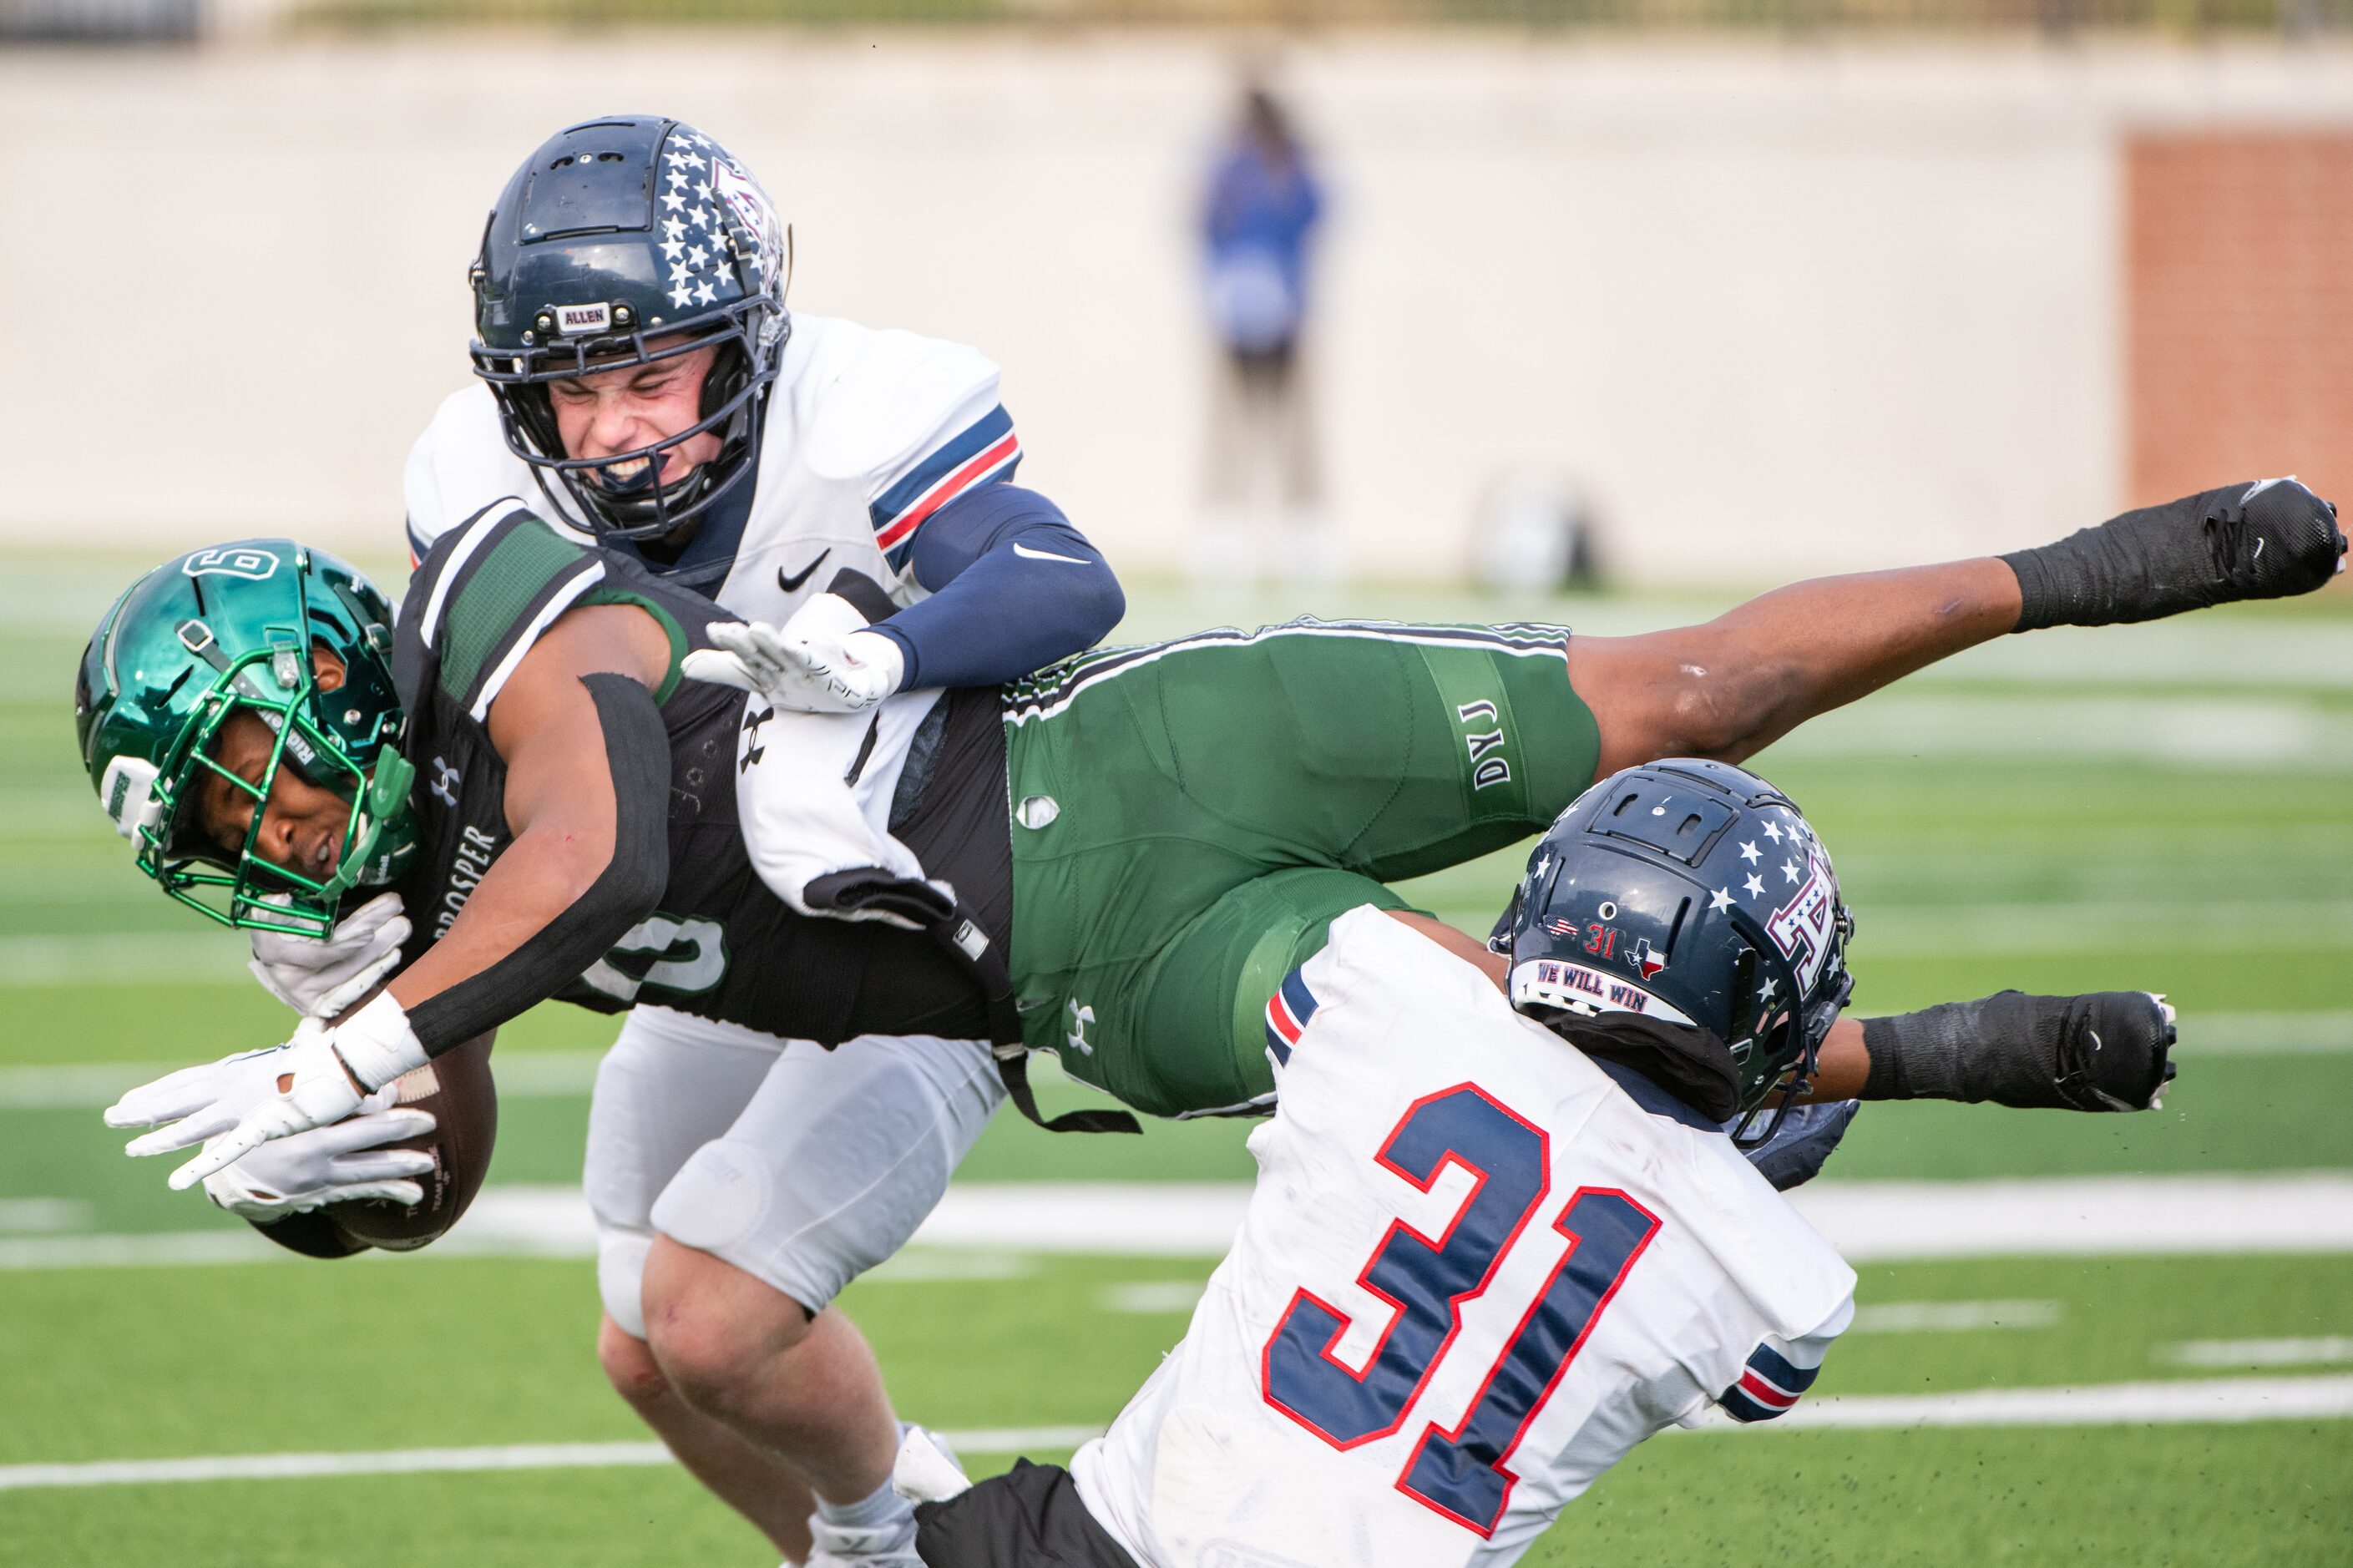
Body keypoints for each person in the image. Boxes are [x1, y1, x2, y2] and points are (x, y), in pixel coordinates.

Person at [83, 473, 2335, 1561]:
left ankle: (2115, 562)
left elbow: (603, 854)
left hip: (1137, 757)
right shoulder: (374, 920)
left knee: (1679, 685)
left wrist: (356, 1045)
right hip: (1072, 979)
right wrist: (342, 1170)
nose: (257, 837)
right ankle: (1956, 1047)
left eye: (254, 776)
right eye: (216, 826)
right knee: (1546, 1048)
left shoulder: (489, 599)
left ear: (319, 684)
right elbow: (433, 1150)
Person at [393, 110, 1126, 1565]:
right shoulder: (472, 475)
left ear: (744, 345)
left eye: (646, 376)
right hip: (738, 940)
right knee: (640, 1342)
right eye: (568, 390)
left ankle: (881, 1540)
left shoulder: (855, 409)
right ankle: (881, 1527)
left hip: (926, 915)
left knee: (710, 1313)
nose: (605, 430)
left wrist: (883, 652)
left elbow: (1062, 575)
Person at [899, 761, 1873, 1568]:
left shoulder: (1379, 984)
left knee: (872, 1528)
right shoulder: (1777, 1280)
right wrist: (1714, 1173)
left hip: (1091, 1539)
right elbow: (1757, 1377)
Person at [1197, 82, 1329, 588]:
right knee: (1231, 431)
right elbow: (1206, 230)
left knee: (1296, 432)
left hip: (1287, 317)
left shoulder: (1293, 166)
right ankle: (1224, 540)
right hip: (1236, 319)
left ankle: (1305, 539)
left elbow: (1316, 220)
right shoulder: (1228, 170)